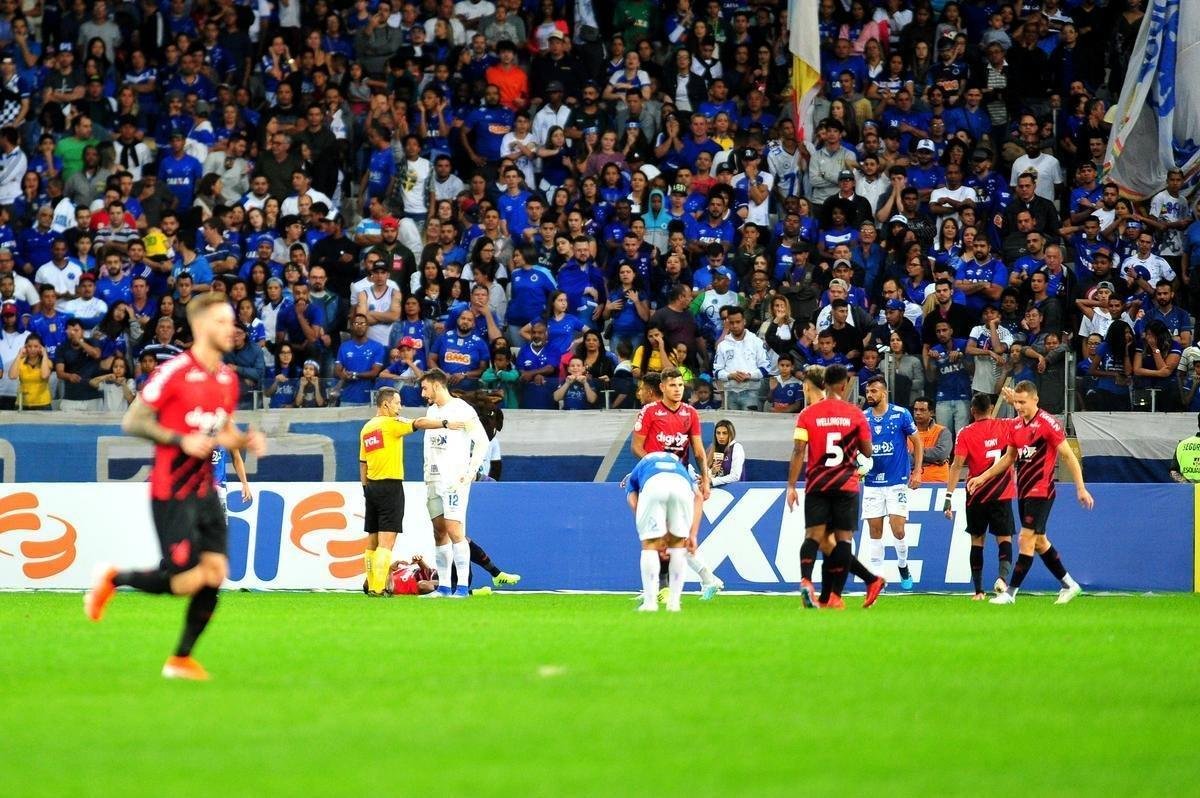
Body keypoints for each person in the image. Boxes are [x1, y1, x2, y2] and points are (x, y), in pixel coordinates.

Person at [84, 292, 268, 681]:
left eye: (232, 321)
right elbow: (132, 421)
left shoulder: (227, 377)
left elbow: (224, 430)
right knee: (186, 581)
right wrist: (179, 440)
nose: (230, 329)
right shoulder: (173, 372)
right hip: (172, 489)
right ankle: (113, 578)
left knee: (215, 572)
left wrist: (244, 440)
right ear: (201, 327)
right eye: (221, 321)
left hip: (206, 490)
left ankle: (180, 659)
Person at [969, 382, 1094, 605]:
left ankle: (1010, 593)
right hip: (1024, 492)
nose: (1018, 406)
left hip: (1042, 491)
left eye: (1022, 402)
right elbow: (1008, 459)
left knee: (1025, 539)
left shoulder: (1048, 424)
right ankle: (1069, 584)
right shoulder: (1015, 426)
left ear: (1035, 400)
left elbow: (1068, 456)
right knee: (1039, 542)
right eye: (1016, 402)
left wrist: (1080, 487)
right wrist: (981, 477)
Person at [786, 364, 885, 610]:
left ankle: (810, 584)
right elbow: (867, 451)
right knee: (841, 541)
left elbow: (799, 450)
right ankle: (838, 594)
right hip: (846, 485)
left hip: (818, 484)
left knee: (815, 536)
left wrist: (790, 485)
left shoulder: (807, 415)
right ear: (844, 385)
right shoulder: (856, 414)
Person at [359, 386, 462, 596]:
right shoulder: (391, 424)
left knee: (373, 539)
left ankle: (371, 583)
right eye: (397, 402)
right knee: (387, 541)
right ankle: (378, 588)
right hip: (390, 487)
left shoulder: (367, 428)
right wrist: (444, 423)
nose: (400, 407)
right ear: (386, 404)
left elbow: (362, 462)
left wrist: (365, 488)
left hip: (371, 487)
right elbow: (419, 423)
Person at [631, 369, 722, 601]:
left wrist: (706, 478)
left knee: (670, 537)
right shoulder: (649, 412)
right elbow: (637, 447)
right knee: (667, 536)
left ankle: (695, 582)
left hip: (680, 477)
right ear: (662, 387)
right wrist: (649, 467)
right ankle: (702, 580)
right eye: (672, 385)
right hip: (654, 478)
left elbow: (699, 451)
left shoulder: (690, 413)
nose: (677, 389)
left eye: (680, 385)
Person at [418, 369, 491, 598]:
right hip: (434, 479)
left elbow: (482, 441)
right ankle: (443, 588)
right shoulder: (432, 411)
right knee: (439, 532)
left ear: (437, 386)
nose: (423, 393)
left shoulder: (462, 409)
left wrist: (470, 470)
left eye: (425, 388)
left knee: (455, 530)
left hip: (454, 479)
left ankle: (462, 587)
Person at [943, 393, 1016, 600]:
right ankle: (1002, 579)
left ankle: (978, 591)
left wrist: (948, 496)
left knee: (977, 541)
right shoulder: (1006, 426)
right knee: (1004, 538)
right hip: (1001, 492)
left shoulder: (966, 432)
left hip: (976, 494)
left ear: (972, 411)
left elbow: (957, 465)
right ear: (991, 409)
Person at [860, 375, 922, 591]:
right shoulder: (863, 417)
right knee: (874, 532)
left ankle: (903, 565)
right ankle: (878, 580)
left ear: (884, 393)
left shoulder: (901, 414)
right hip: (872, 483)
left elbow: (917, 442)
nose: (870, 395)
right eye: (868, 391)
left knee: (898, 530)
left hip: (897, 481)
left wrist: (917, 471)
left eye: (874, 391)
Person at [626, 451, 700, 613]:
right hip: (681, 486)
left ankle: (650, 603)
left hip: (654, 485)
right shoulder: (681, 466)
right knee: (678, 545)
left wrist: (650, 530)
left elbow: (632, 498)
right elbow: (699, 497)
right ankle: (674, 604)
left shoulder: (642, 465)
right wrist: (692, 534)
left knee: (650, 544)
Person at [708, 419, 746, 485]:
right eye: (718, 433)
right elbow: (707, 476)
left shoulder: (736, 447)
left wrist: (713, 481)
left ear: (731, 434)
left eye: (725, 433)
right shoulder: (712, 448)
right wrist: (712, 472)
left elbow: (735, 476)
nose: (721, 436)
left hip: (735, 490)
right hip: (716, 491)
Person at [1168, 413, 1200, 483]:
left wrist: (1186, 484)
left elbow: (1173, 471)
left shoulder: (1182, 444)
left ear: (1198, 424)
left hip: (1188, 491)